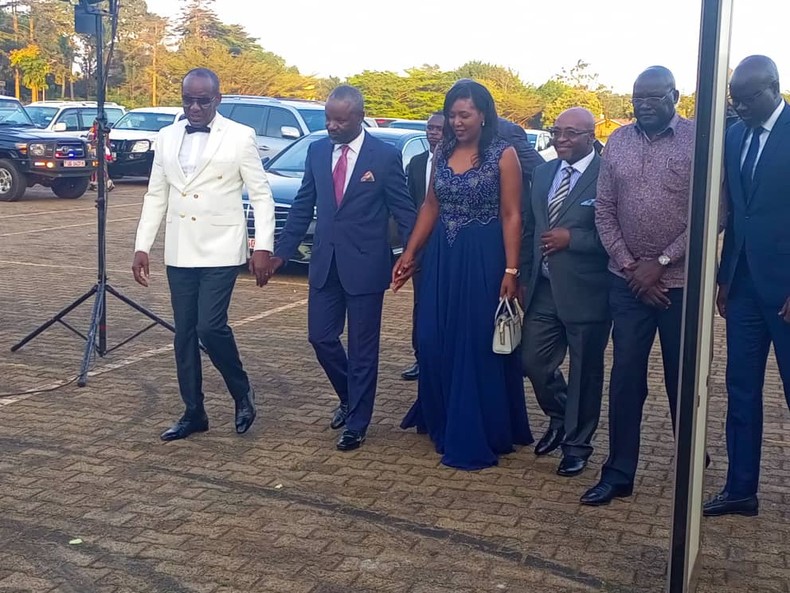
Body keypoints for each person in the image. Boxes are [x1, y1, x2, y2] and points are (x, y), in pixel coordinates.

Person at [393, 79, 532, 470]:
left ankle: (476, 429)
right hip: (442, 257)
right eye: (452, 114)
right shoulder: (442, 151)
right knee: (433, 337)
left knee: (473, 343)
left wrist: (511, 269)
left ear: (483, 114)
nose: (456, 122)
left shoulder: (503, 155)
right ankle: (439, 415)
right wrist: (410, 252)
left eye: (464, 114)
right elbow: (431, 206)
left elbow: (512, 215)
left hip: (484, 258)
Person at [270, 85, 417, 451]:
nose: (331, 126)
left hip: (366, 266)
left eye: (339, 120)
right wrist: (280, 253)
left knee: (363, 348)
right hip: (325, 264)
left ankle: (357, 422)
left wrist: (412, 254)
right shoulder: (318, 151)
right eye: (328, 118)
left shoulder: (384, 156)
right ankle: (349, 396)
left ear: (359, 117)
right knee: (320, 337)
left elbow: (404, 210)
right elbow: (303, 205)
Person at [132, 68, 275, 441]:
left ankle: (241, 390)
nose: (194, 108)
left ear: (218, 99)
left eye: (202, 100)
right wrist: (142, 246)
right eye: (188, 100)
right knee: (184, 334)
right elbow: (155, 195)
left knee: (210, 327)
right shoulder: (165, 137)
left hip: (221, 247)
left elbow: (260, 195)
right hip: (180, 249)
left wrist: (263, 246)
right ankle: (194, 412)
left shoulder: (240, 137)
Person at [581, 66, 694, 506]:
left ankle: (689, 460)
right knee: (626, 377)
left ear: (675, 96)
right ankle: (619, 472)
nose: (643, 104)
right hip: (627, 284)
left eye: (653, 96)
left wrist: (662, 263)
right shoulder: (619, 142)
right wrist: (632, 267)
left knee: (680, 379)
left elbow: (712, 213)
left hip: (680, 285)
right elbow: (604, 209)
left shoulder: (697, 140)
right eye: (637, 97)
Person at [704, 56, 790, 518]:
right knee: (741, 391)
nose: (738, 107)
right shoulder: (734, 135)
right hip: (743, 291)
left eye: (747, 98)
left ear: (774, 88)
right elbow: (738, 216)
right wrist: (723, 279)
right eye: (733, 99)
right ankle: (740, 489)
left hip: (787, 290)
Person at [520, 108, 611, 477]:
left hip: (588, 290)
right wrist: (520, 275)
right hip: (543, 288)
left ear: (592, 136)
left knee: (585, 370)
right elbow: (530, 228)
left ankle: (577, 445)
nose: (561, 139)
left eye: (571, 134)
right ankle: (559, 416)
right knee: (532, 362)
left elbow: (617, 231)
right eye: (557, 132)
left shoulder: (607, 174)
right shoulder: (542, 173)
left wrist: (574, 238)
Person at [400, 111, 445, 382]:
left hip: (447, 242)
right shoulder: (417, 163)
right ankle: (420, 357)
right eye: (430, 128)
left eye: (439, 129)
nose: (433, 133)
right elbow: (408, 203)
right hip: (420, 245)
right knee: (420, 301)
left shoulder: (456, 161)